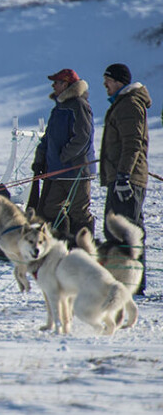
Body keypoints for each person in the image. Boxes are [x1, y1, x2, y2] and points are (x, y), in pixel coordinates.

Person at [99, 63, 151, 295]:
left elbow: (133, 143)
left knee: (123, 231)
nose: (104, 85)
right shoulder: (123, 104)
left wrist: (123, 176)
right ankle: (131, 282)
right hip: (122, 177)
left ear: (119, 81)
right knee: (123, 230)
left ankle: (131, 284)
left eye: (107, 80)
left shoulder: (129, 104)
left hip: (126, 179)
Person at [31, 68, 95, 235]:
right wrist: (40, 158)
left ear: (66, 84)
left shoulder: (79, 105)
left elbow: (83, 137)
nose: (53, 85)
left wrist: (63, 157)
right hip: (58, 171)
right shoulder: (58, 108)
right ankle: (62, 242)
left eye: (57, 82)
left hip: (76, 170)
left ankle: (84, 249)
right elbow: (48, 137)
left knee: (79, 212)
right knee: (50, 209)